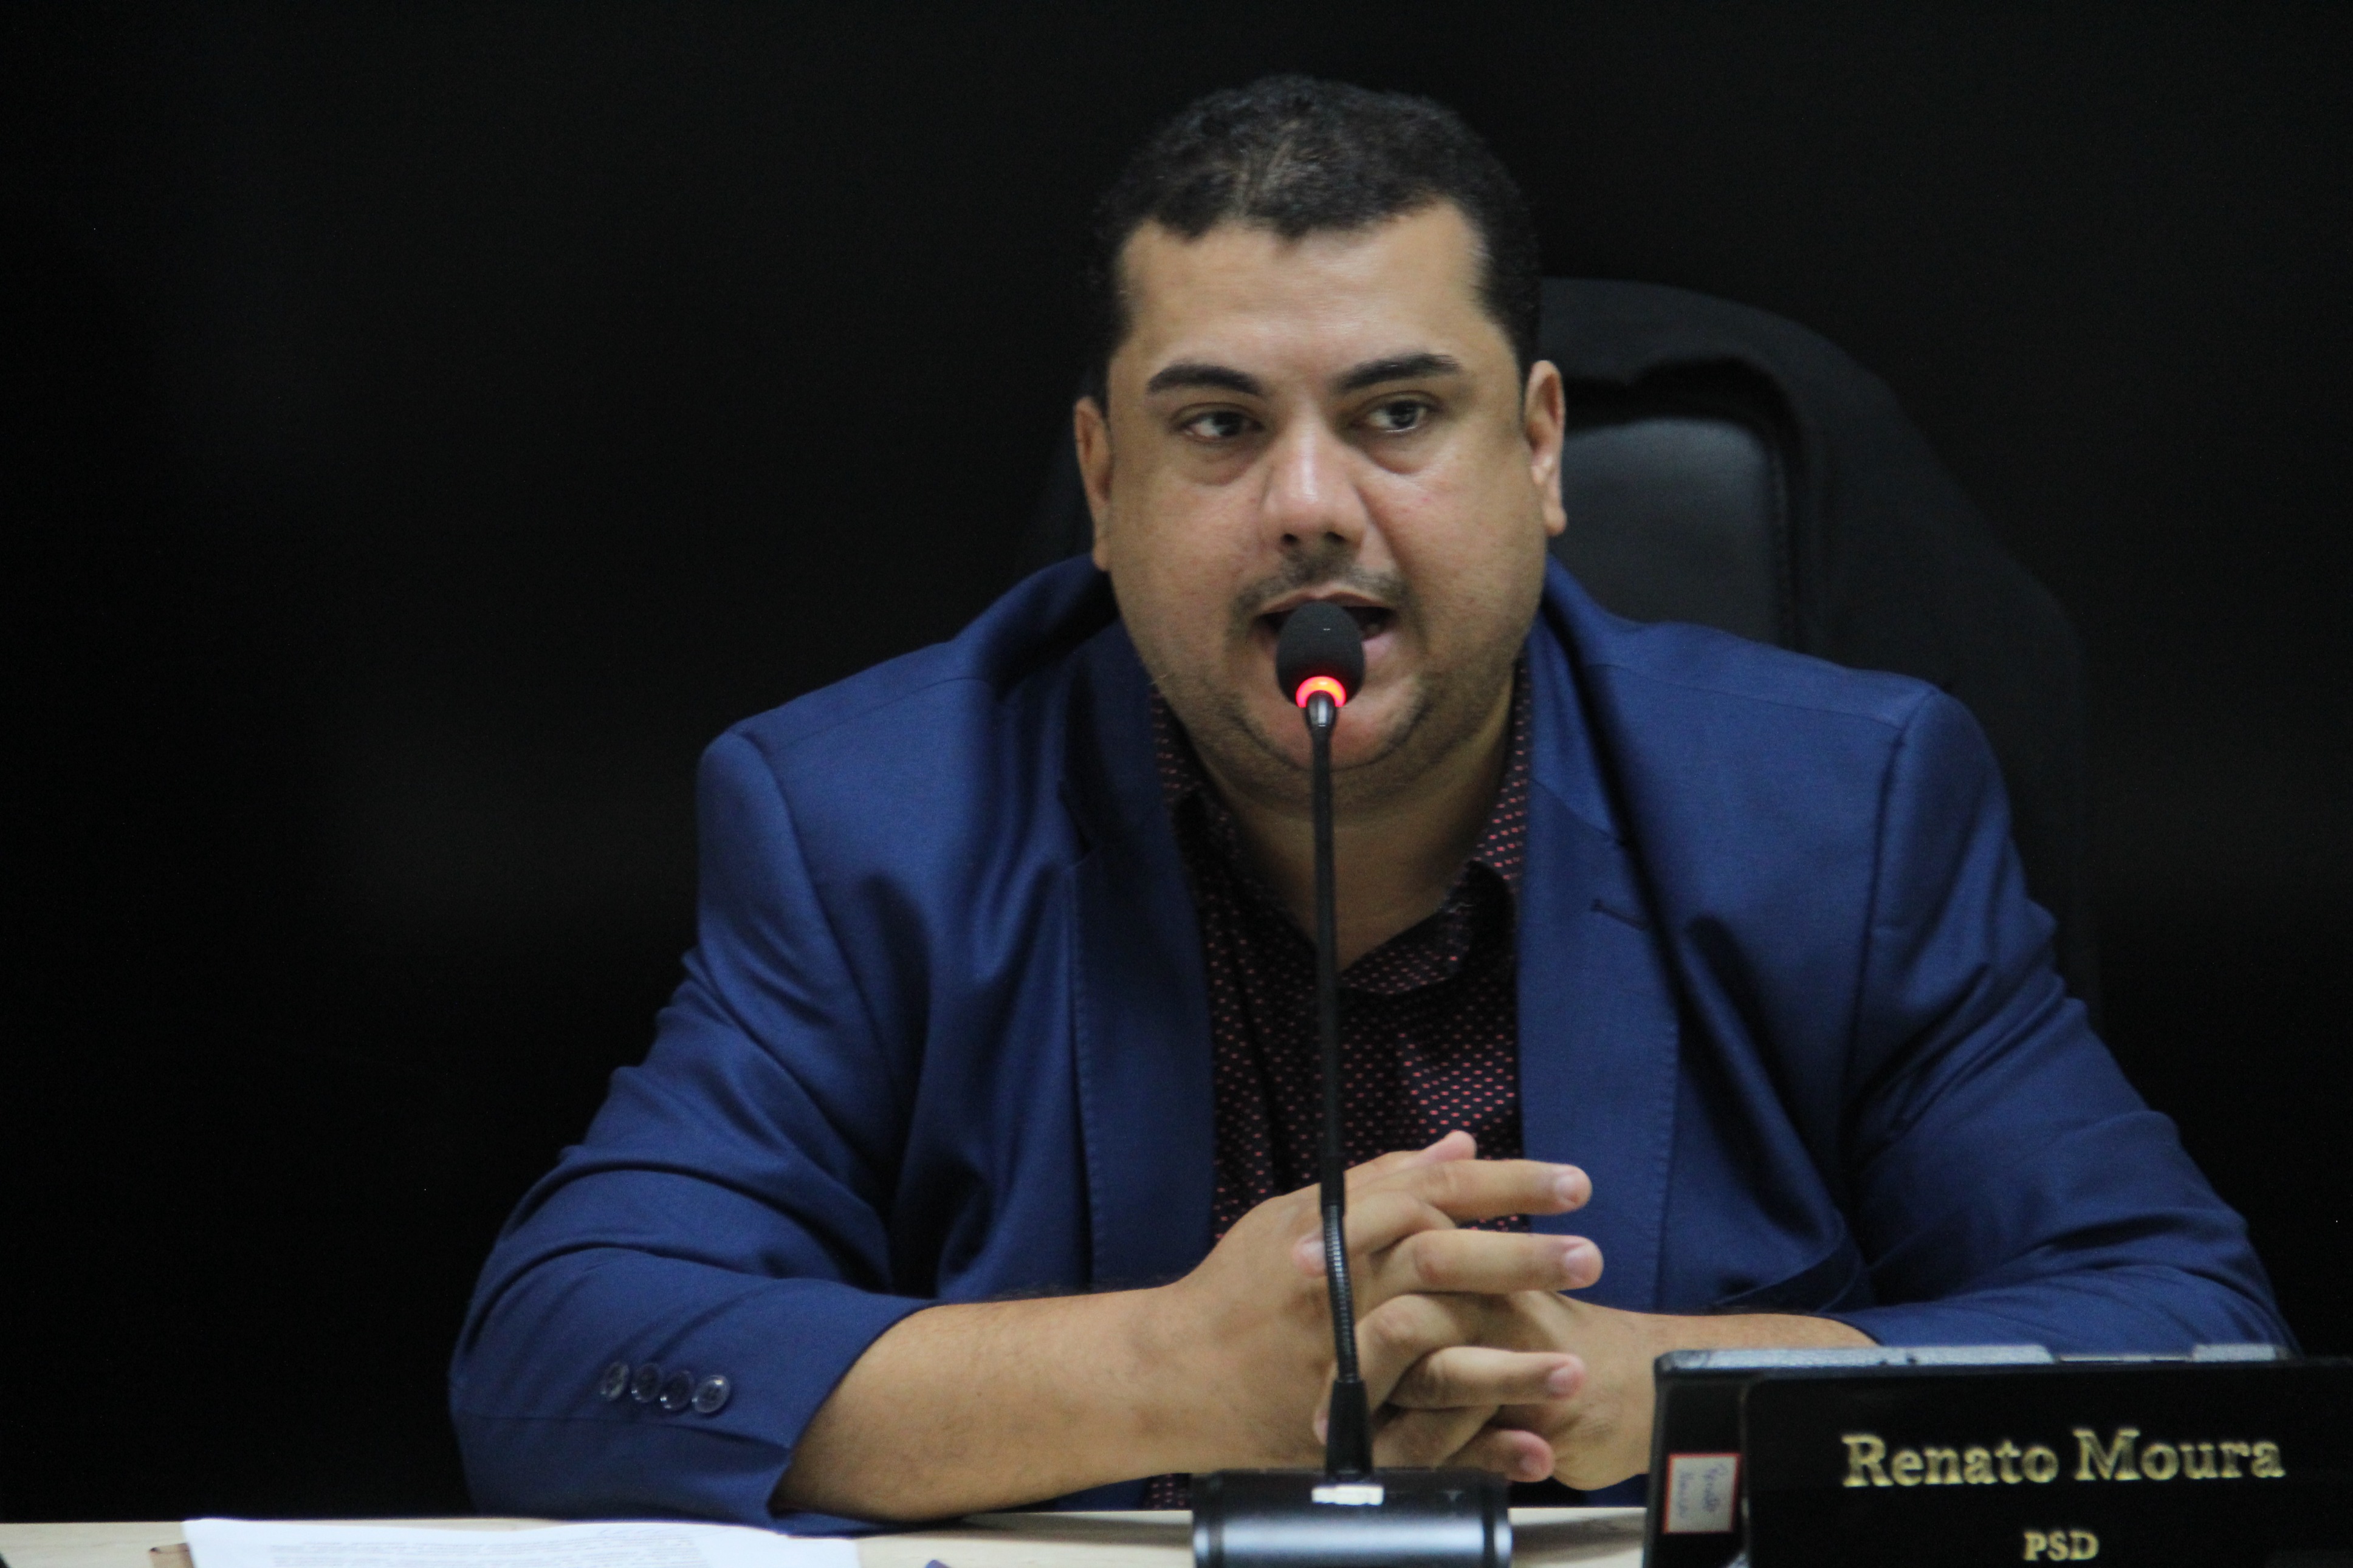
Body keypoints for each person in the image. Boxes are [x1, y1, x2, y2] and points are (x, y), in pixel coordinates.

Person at [448, 77, 2287, 1529]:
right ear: (1103, 485)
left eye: (1400, 415)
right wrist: (1169, 1374)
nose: (1312, 507)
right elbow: (557, 1363)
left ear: (1541, 451)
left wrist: (1656, 1391)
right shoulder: (867, 824)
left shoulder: (1844, 811)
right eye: (1218, 427)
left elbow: (2195, 1350)